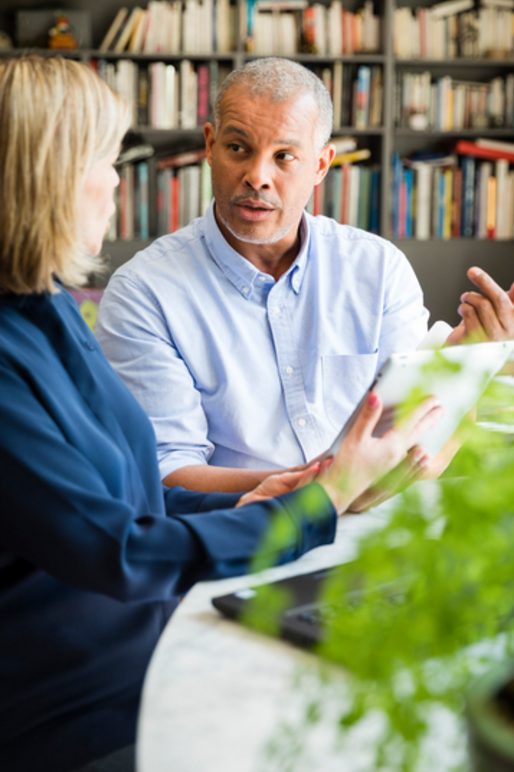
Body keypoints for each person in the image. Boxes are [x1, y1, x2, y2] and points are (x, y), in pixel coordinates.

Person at [0, 55, 443, 772]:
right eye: (107, 162)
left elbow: (134, 497)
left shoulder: (49, 310)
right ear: (45, 177)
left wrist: (262, 495)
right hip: (81, 701)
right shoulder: (29, 345)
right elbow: (117, 548)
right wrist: (317, 500)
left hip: (162, 635)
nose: (117, 185)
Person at [95, 57, 514, 497]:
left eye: (285, 156)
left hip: (379, 524)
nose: (257, 176)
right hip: (240, 531)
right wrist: (322, 487)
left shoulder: (378, 268)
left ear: (320, 165)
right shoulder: (144, 293)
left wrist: (472, 365)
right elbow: (164, 471)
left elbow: (416, 440)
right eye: (238, 148)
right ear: (210, 147)